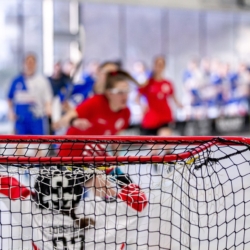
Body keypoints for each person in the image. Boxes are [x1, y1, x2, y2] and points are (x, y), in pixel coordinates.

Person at [0, 166, 148, 249]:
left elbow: (6, 183)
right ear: (78, 191)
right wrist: (113, 171)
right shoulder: (99, 209)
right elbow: (138, 199)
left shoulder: (31, 210)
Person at [53, 70, 139, 157]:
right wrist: (74, 122)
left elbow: (116, 140)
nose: (125, 96)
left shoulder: (126, 113)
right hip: (70, 155)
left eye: (127, 91)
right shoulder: (95, 102)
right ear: (109, 94)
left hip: (94, 157)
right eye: (120, 92)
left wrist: (116, 158)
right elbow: (60, 122)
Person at [8, 53, 53, 136]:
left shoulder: (43, 81)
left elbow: (48, 98)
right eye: (28, 62)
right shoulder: (16, 81)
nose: (30, 65)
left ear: (36, 64)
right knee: (18, 145)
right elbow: (9, 98)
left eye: (32, 62)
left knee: (39, 146)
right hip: (21, 120)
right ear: (24, 64)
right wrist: (10, 112)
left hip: (37, 118)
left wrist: (48, 108)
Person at [138, 56, 182, 138]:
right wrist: (141, 107)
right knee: (154, 149)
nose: (159, 67)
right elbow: (137, 97)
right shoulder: (147, 83)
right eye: (158, 65)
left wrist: (181, 106)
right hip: (150, 118)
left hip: (165, 116)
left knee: (166, 144)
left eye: (161, 65)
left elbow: (174, 98)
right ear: (154, 65)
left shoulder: (168, 83)